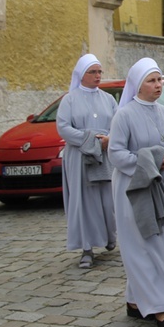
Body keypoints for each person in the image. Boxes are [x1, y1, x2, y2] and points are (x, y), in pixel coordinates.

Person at [108, 58, 164, 327]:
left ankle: (134, 301)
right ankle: (161, 310)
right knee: (144, 244)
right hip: (134, 189)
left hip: (163, 186)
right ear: (138, 85)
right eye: (151, 80)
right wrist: (148, 162)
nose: (157, 85)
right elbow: (116, 153)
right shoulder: (125, 115)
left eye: (159, 79)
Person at [57, 54, 118, 269]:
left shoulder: (108, 99)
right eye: (93, 72)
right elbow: (63, 127)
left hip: (104, 155)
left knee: (107, 199)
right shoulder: (69, 99)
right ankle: (86, 248)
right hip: (79, 157)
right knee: (84, 202)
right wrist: (90, 140)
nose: (98, 75)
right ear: (82, 75)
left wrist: (108, 139)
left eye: (100, 71)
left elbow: (117, 124)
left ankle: (110, 236)